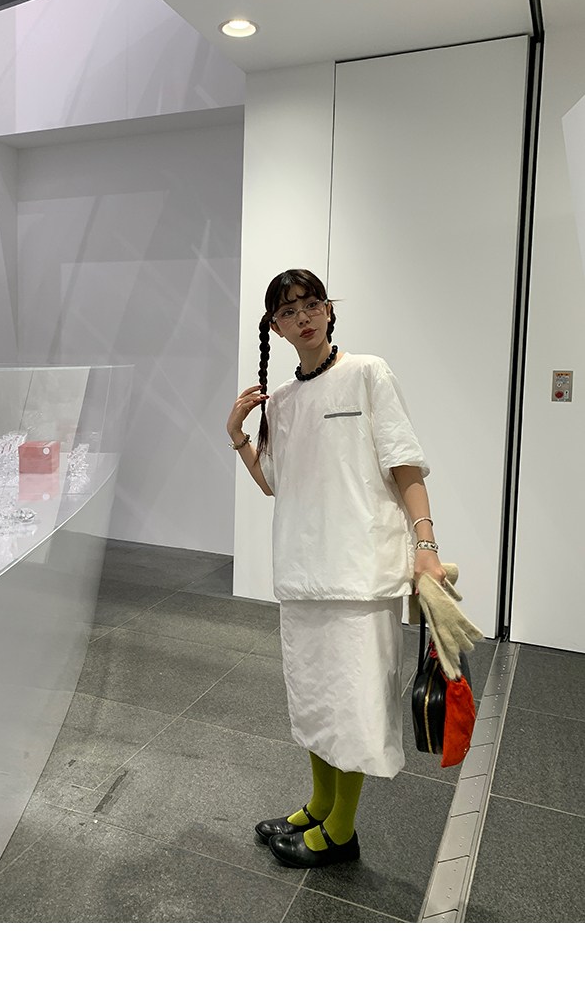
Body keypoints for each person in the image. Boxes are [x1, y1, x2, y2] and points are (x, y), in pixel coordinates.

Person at [226, 268, 446, 868]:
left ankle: (341, 832)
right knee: (316, 700)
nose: (302, 316)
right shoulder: (283, 400)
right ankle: (320, 804)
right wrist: (237, 434)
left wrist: (425, 543)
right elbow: (274, 482)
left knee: (353, 706)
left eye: (311, 303)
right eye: (287, 310)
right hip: (303, 573)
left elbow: (404, 463)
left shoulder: (368, 373)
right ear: (275, 327)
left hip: (360, 574)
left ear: (328, 310)